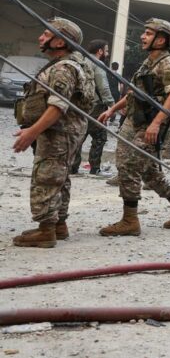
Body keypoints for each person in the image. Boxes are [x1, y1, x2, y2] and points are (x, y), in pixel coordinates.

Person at [96, 18, 170, 236]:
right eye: (145, 33)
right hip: (136, 120)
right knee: (149, 172)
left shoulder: (169, 63)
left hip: (151, 123)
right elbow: (134, 92)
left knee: (129, 165)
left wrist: (156, 123)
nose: (143, 37)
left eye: (148, 34)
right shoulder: (149, 62)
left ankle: (130, 220)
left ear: (161, 39)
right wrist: (113, 109)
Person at [12, 19, 93, 247]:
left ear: (60, 41)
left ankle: (46, 231)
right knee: (60, 177)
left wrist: (31, 132)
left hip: (58, 132)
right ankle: (58, 225)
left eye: (46, 34)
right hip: (64, 132)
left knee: (46, 177)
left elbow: (58, 106)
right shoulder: (68, 63)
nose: (40, 38)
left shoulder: (63, 68)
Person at [72, 39, 114, 175]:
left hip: (80, 105)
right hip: (95, 106)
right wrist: (112, 105)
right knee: (100, 136)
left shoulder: (81, 62)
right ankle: (95, 168)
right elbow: (103, 87)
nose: (107, 54)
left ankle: (73, 166)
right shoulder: (98, 64)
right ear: (100, 51)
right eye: (106, 51)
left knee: (80, 135)